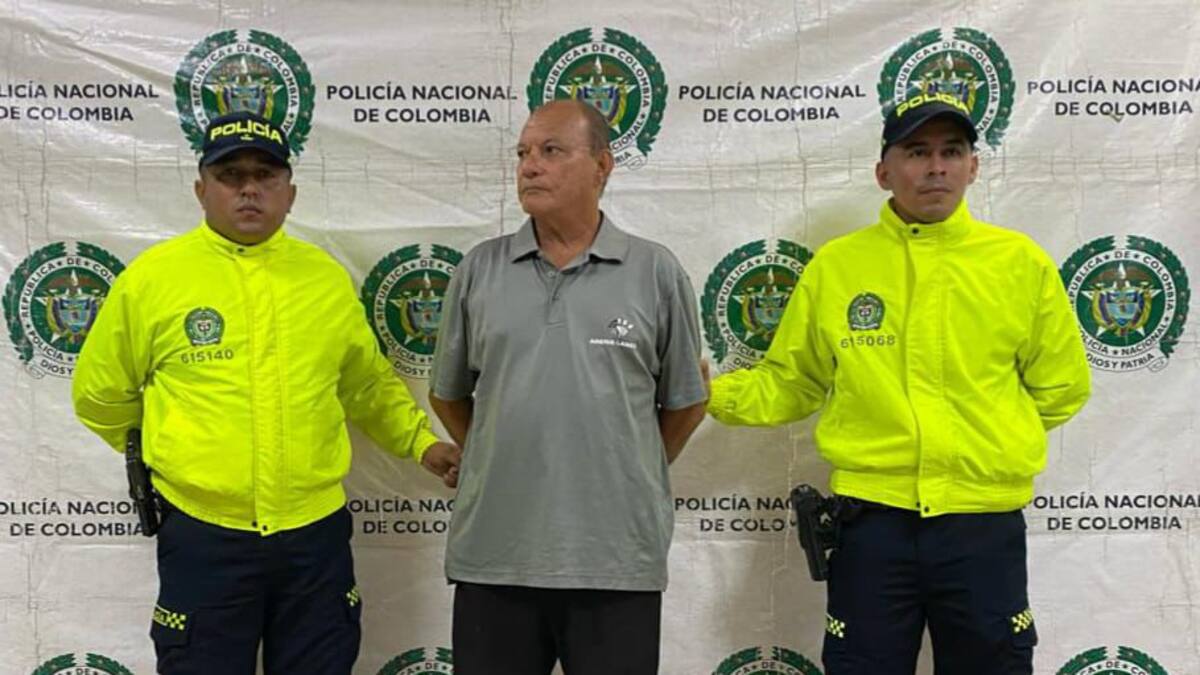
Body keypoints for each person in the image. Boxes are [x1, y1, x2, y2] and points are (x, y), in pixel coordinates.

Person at [706, 92, 1091, 674]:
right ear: (883, 172)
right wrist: (705, 395)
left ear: (973, 167)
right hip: (872, 528)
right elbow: (792, 383)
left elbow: (1062, 387)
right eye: (916, 152)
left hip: (983, 527)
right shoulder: (839, 267)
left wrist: (989, 439)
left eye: (951, 151)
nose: (936, 167)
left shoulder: (1020, 264)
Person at [72, 111, 460, 675]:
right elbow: (100, 393)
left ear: (290, 193)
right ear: (201, 190)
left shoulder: (324, 279)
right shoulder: (152, 280)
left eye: (265, 175)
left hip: (314, 539)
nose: (249, 188)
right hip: (204, 536)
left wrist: (423, 444)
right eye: (230, 175)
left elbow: (367, 385)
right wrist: (173, 446)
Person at [428, 100, 708, 675]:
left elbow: (686, 402)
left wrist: (627, 465)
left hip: (615, 561)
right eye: (523, 153)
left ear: (602, 165)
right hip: (495, 557)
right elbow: (447, 394)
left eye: (551, 151)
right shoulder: (479, 270)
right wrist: (495, 456)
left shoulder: (655, 271)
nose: (530, 166)